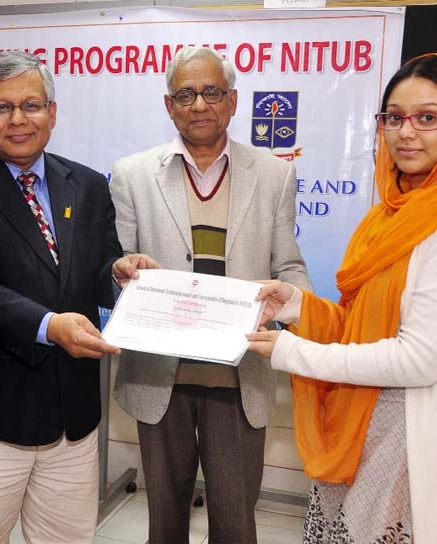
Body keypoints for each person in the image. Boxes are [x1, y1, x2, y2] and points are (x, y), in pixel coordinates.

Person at [246, 54, 437, 543]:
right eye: (394, 117)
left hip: (420, 453)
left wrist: (298, 353)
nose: (406, 133)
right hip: (367, 438)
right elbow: (364, 323)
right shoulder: (391, 215)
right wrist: (295, 305)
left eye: (428, 117)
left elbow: (418, 359)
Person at [0, 50, 158, 544]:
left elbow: (97, 270)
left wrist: (118, 272)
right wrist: (51, 326)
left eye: (31, 105)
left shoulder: (89, 184)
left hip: (74, 416)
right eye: (2, 108)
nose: (18, 119)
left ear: (52, 112)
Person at [110, 46, 312, 543]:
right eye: (185, 93)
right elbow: (117, 264)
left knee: (236, 521)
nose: (199, 104)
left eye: (211, 92)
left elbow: (290, 267)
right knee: (164, 520)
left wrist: (288, 302)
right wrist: (121, 270)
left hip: (240, 377)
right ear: (168, 104)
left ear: (233, 100)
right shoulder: (131, 175)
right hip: (160, 376)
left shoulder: (274, 174)